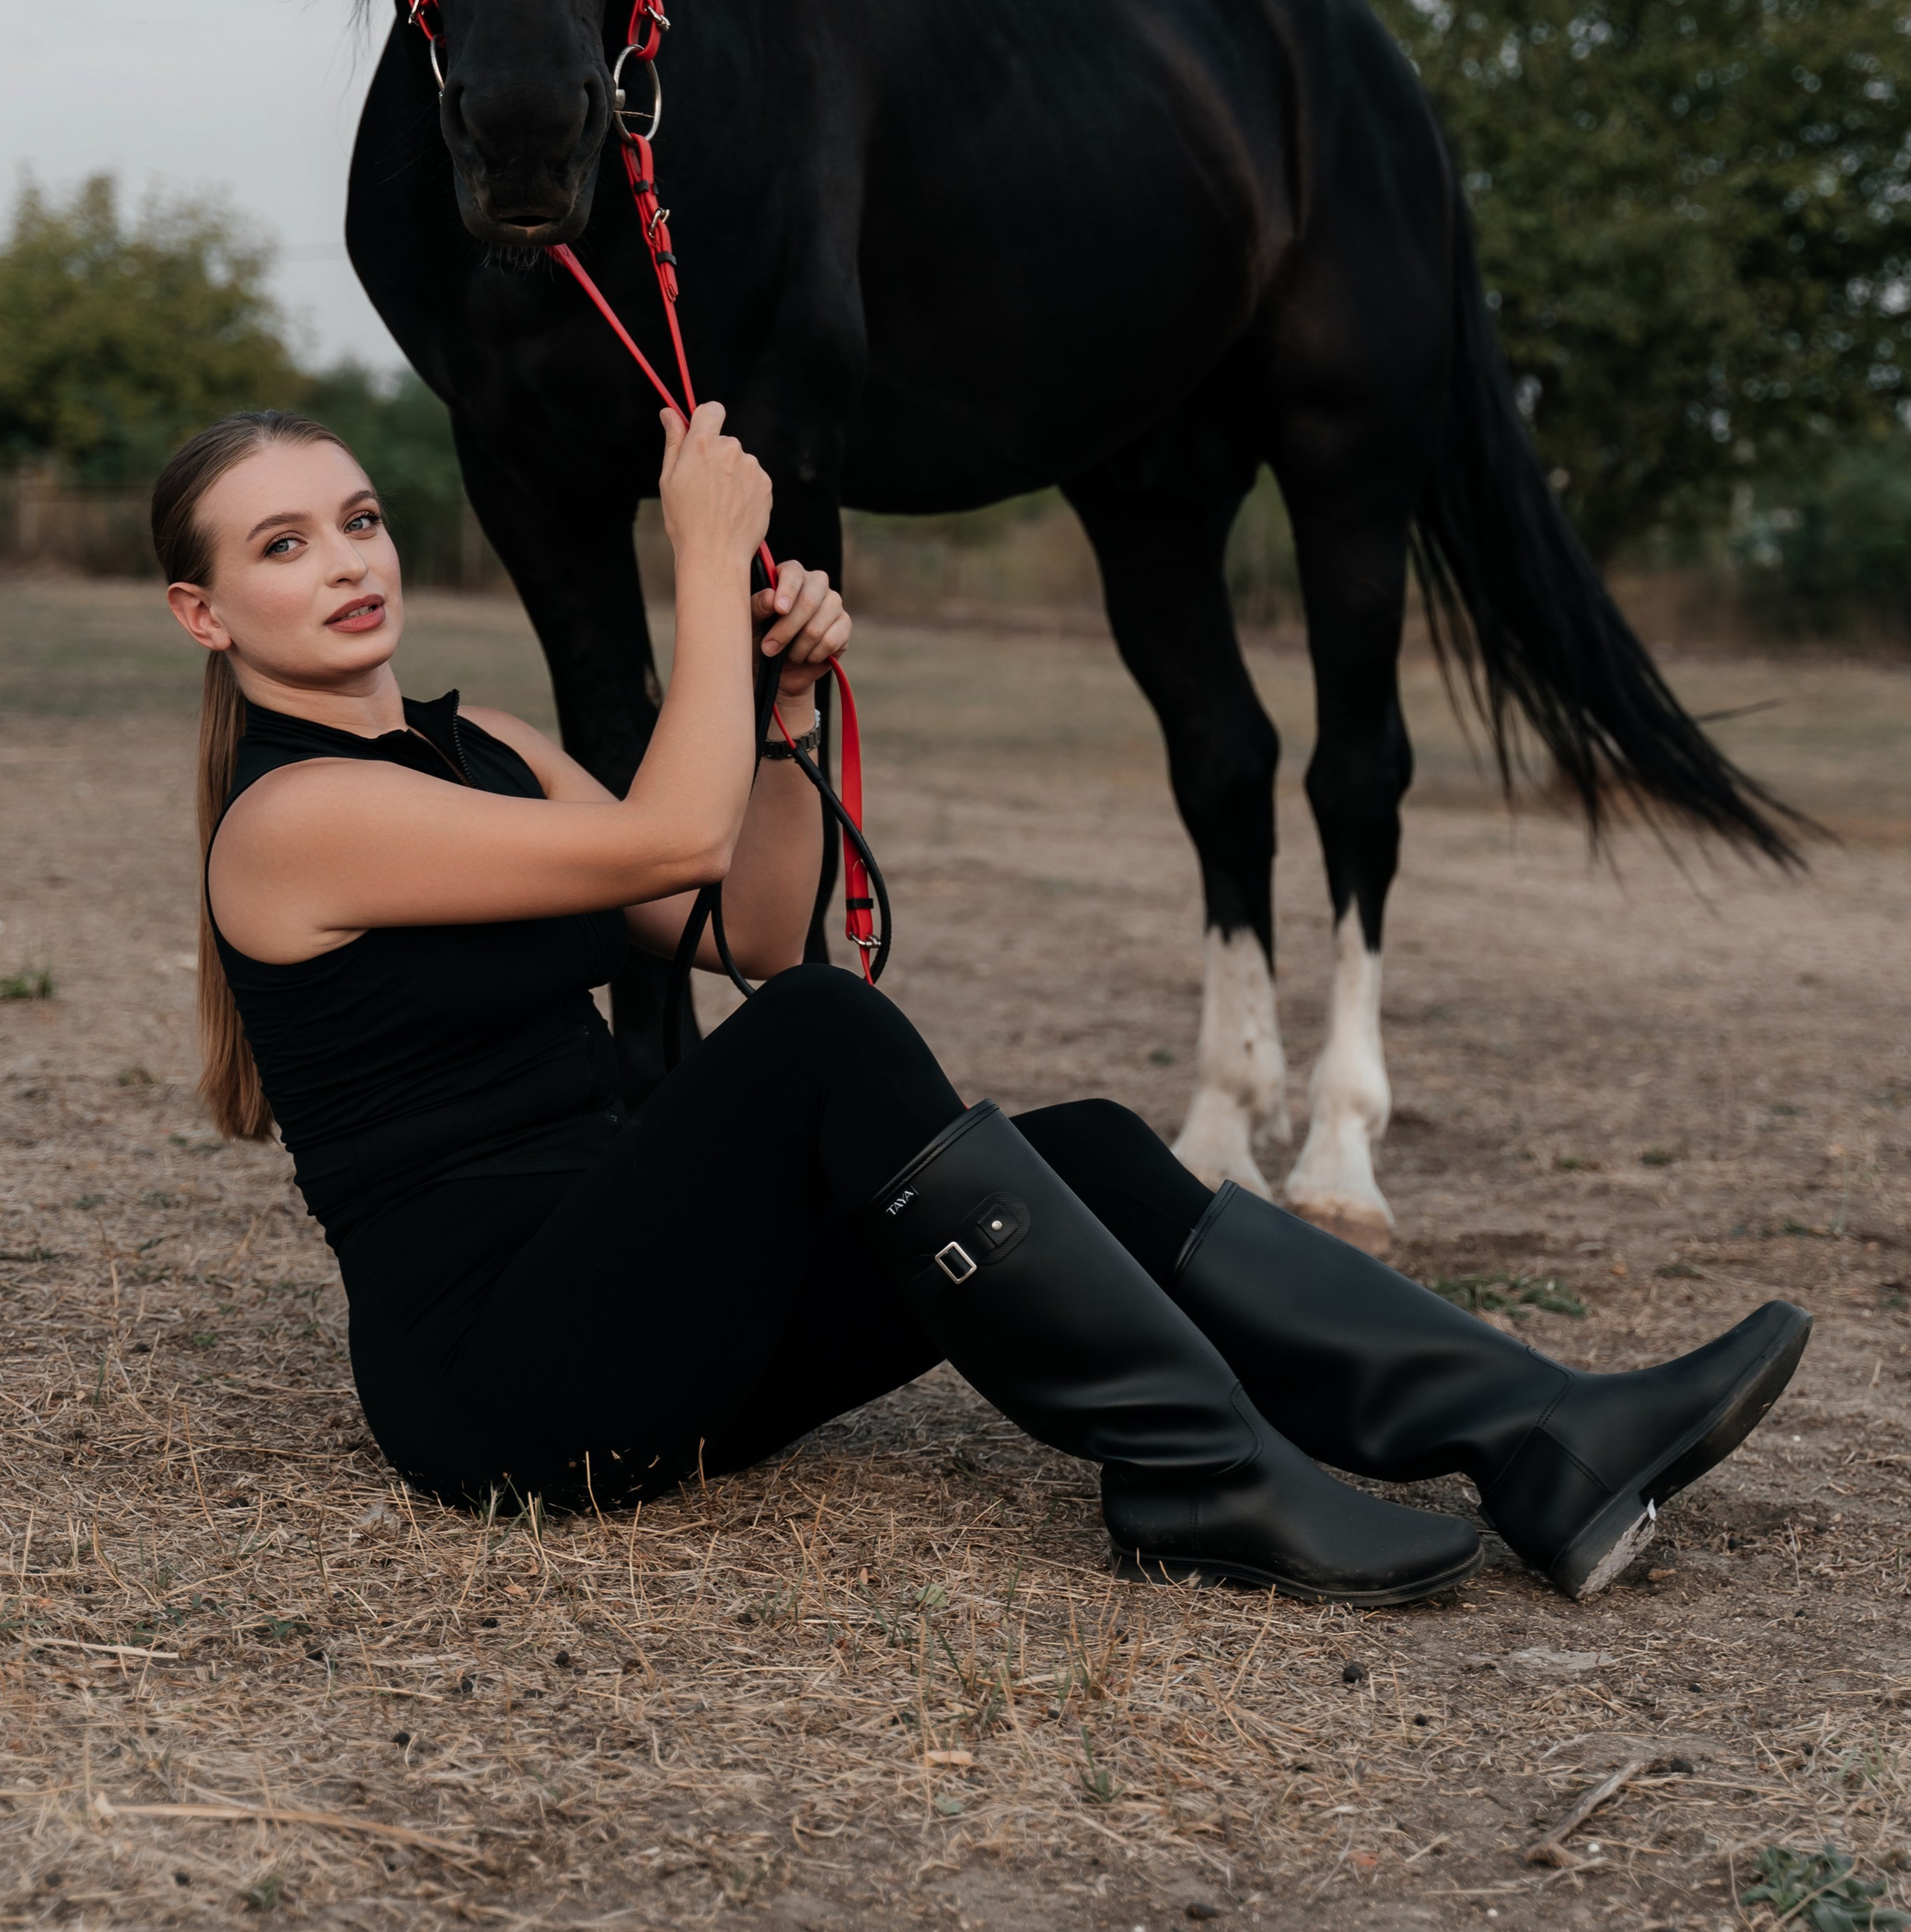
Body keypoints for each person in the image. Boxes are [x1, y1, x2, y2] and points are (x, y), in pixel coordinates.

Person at [153, 405, 1809, 1607]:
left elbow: (748, 921)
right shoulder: (290, 821)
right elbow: (672, 839)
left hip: (645, 1313)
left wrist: (785, 704)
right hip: (506, 1387)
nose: (346, 562)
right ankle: (1198, 1473)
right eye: (282, 545)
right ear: (205, 613)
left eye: (358, 518)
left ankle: (1536, 1434)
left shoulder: (486, 742)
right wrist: (708, 559)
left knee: (1076, 1142)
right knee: (817, 1052)